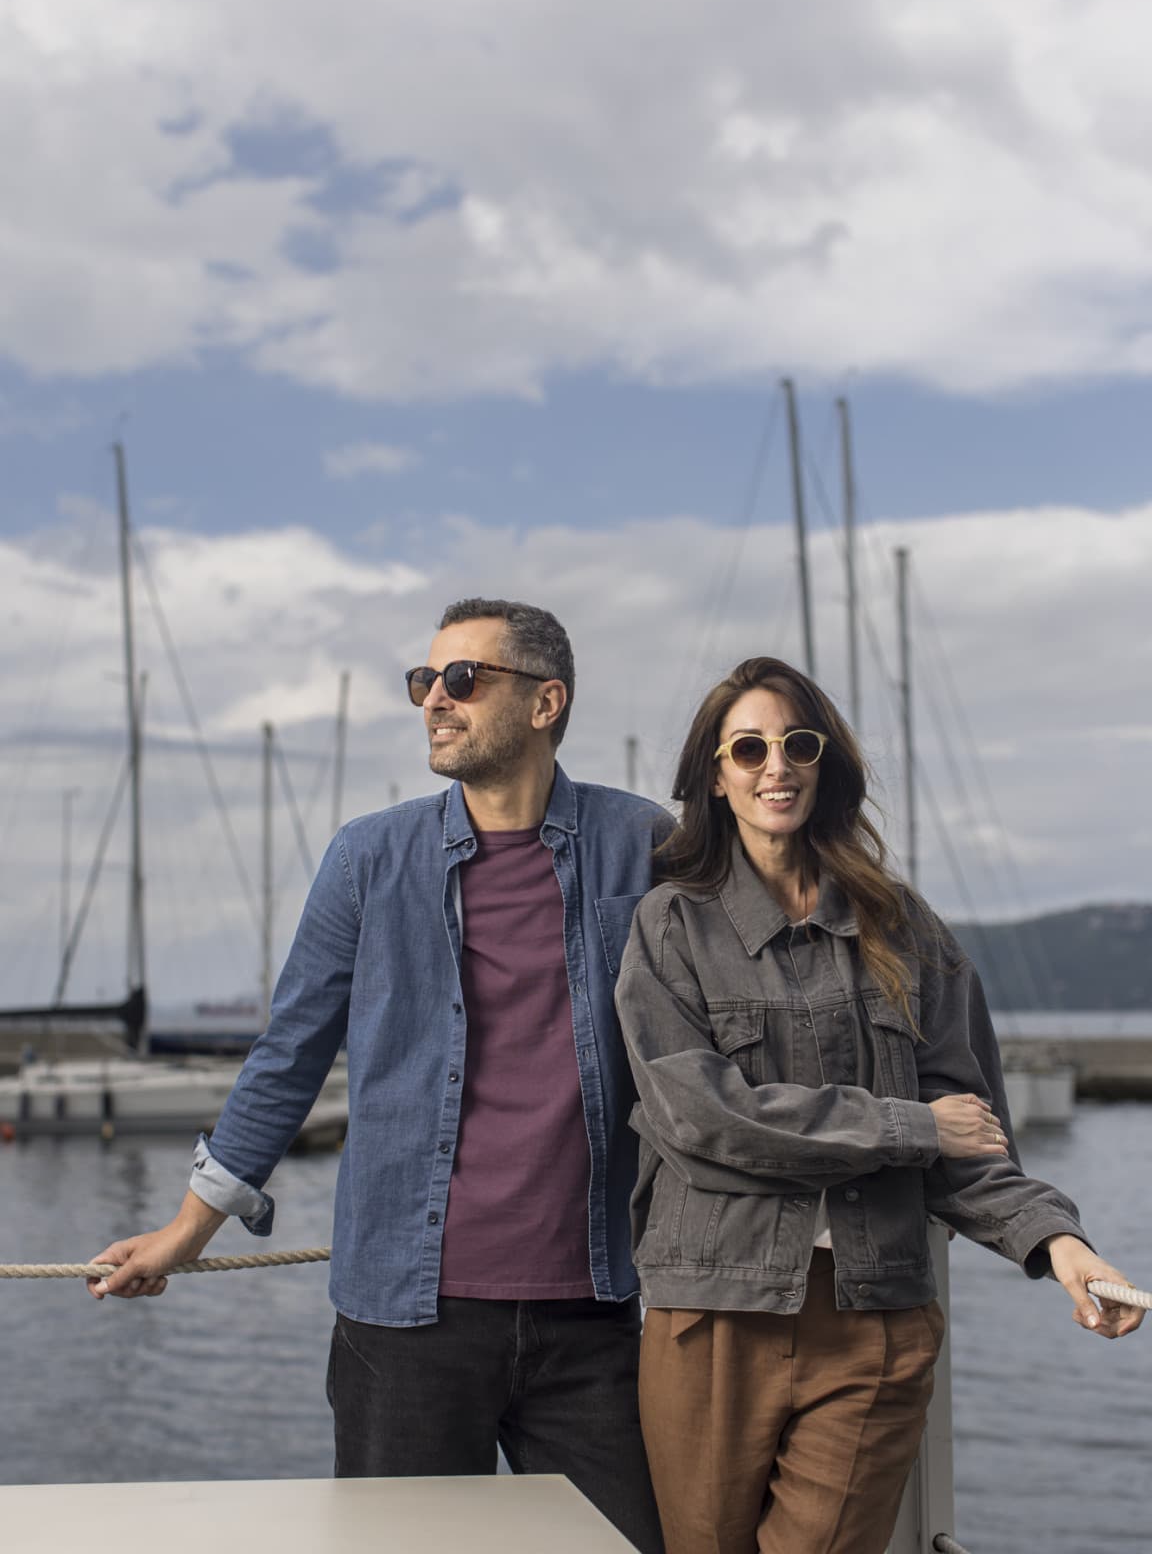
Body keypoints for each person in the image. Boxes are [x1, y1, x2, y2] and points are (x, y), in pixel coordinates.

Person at [88, 598, 670, 1554]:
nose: (434, 701)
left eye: (462, 680)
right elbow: (290, 1052)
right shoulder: (369, 857)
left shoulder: (639, 844)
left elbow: (733, 991)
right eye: (424, 681)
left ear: (545, 701)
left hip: (594, 1311)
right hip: (405, 1321)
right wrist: (189, 1230)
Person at [615, 655, 1142, 1554]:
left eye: (797, 744)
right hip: (715, 1317)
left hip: (876, 1319)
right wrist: (905, 1125)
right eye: (749, 749)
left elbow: (970, 1130)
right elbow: (700, 1120)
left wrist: (1061, 1242)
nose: (774, 766)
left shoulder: (904, 926)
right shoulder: (671, 926)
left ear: (825, 765)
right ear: (717, 774)